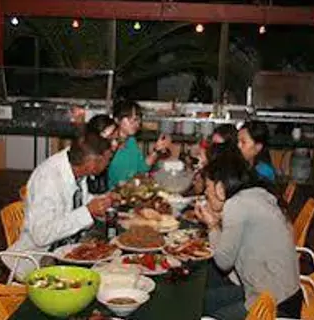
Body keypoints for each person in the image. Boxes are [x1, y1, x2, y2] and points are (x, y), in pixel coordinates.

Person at [197, 151, 302, 320]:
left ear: (220, 188)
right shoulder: (256, 194)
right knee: (201, 301)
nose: (205, 193)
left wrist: (212, 226)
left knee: (202, 310)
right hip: (284, 294)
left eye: (208, 187)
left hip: (273, 306)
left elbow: (223, 262)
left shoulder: (236, 205)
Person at [5, 133, 115, 279]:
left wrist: (102, 201)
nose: (108, 164)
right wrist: (87, 212)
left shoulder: (75, 168)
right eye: (107, 160)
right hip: (35, 266)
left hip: (62, 254)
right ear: (91, 162)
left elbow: (74, 200)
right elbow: (41, 235)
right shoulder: (48, 179)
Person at [107, 100, 172, 189]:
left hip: (129, 192)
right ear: (117, 120)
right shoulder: (109, 144)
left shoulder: (131, 141)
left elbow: (142, 168)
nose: (136, 123)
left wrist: (156, 151)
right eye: (130, 118)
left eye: (137, 119)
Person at [86, 114, 118, 194]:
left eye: (116, 139)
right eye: (110, 138)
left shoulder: (104, 159)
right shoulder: (85, 161)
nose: (115, 144)